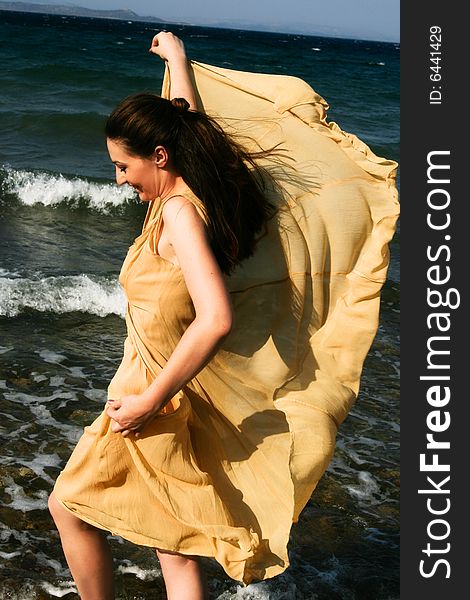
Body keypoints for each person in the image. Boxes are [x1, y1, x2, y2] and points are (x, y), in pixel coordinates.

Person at [49, 31, 399, 600]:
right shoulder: (186, 189)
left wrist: (147, 401)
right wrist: (178, 61)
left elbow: (215, 319)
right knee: (174, 544)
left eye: (122, 166)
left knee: (69, 508)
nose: (118, 179)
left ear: (158, 157)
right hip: (159, 390)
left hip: (148, 394)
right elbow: (187, 118)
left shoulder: (180, 216)